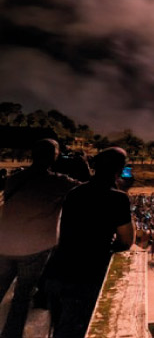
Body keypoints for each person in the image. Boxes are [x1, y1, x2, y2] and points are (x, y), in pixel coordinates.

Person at [44, 147, 134, 338]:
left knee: (58, 328)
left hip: (59, 269)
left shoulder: (75, 192)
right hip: (86, 274)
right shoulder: (118, 198)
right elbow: (126, 241)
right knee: (77, 329)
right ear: (119, 170)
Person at [0, 139, 78, 338]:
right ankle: (11, 335)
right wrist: (80, 166)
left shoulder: (14, 179)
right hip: (35, 248)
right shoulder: (60, 182)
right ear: (54, 157)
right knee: (22, 297)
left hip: (6, 244)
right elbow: (87, 191)